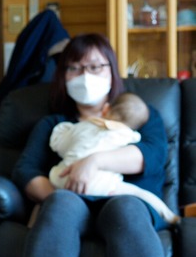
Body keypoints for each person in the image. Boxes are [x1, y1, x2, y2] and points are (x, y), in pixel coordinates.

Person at [9, 33, 180, 257]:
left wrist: (95, 161)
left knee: (128, 210)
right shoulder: (54, 124)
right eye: (73, 68)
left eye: (94, 66)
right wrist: (64, 190)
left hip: (125, 201)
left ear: (111, 71)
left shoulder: (139, 115)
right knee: (59, 204)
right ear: (62, 76)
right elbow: (25, 170)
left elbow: (152, 156)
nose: (84, 75)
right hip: (71, 204)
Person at [47, 91, 178, 224]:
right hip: (105, 188)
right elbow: (145, 151)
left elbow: (58, 144)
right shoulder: (130, 136)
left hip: (64, 181)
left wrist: (89, 157)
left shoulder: (81, 127)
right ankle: (169, 216)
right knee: (138, 194)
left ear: (105, 109)